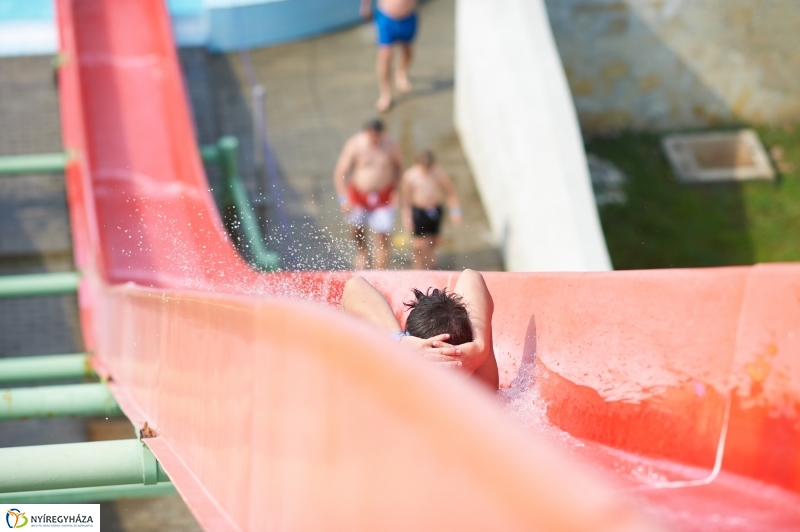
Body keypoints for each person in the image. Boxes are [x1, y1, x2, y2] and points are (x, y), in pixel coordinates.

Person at [341, 269, 499, 390]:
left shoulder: (390, 385)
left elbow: (354, 286)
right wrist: (480, 345)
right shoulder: (480, 386)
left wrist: (398, 341)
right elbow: (471, 276)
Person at [334, 119, 403, 269]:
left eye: (378, 137)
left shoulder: (390, 144)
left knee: (382, 234)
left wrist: (397, 191)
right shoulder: (355, 144)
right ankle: (362, 252)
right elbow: (340, 172)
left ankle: (381, 267)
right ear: (366, 133)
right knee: (356, 228)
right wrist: (343, 198)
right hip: (359, 195)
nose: (375, 140)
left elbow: (399, 168)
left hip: (384, 194)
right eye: (372, 137)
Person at [401, 150, 462, 269]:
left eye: (429, 168)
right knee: (418, 244)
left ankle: (430, 257)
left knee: (434, 240)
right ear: (417, 164)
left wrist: (456, 212)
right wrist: (407, 217)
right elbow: (406, 199)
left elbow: (450, 193)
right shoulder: (410, 176)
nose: (426, 171)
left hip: (435, 210)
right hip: (419, 210)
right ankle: (418, 265)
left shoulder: (438, 173)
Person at [360, 0, 419, 112]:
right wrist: (366, 6)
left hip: (408, 16)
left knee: (408, 51)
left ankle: (401, 72)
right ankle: (385, 94)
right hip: (387, 17)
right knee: (385, 56)